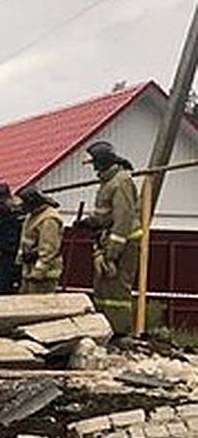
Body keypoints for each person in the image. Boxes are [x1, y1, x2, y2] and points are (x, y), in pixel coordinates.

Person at [78, 140, 141, 336]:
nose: (94, 168)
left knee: (117, 290)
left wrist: (112, 255)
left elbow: (122, 220)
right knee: (103, 287)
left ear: (103, 161)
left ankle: (120, 333)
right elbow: (106, 215)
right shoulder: (108, 182)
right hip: (110, 238)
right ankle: (105, 330)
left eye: (95, 163)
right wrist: (91, 222)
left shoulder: (121, 182)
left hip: (123, 242)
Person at [15, 185, 63, 294]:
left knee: (39, 306)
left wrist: (38, 272)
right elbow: (25, 240)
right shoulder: (32, 215)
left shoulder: (49, 219)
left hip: (44, 276)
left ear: (32, 202)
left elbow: (48, 250)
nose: (21, 205)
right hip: (29, 271)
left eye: (24, 202)